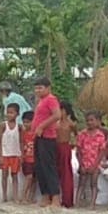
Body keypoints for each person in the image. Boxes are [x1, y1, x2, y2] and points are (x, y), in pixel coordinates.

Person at [30, 77, 62, 207]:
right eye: (36, 88)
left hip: (47, 137)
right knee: (40, 167)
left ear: (48, 88)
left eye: (40, 88)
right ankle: (45, 196)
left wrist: (42, 126)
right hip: (38, 137)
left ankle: (55, 197)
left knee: (48, 167)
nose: (38, 90)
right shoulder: (41, 101)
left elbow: (57, 115)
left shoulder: (51, 99)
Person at [75, 111, 108, 209]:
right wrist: (81, 164)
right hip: (84, 162)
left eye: (92, 120)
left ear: (98, 121)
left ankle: (92, 204)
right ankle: (77, 203)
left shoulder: (100, 135)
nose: (89, 122)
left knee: (93, 183)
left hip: (95, 163)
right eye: (87, 120)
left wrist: (95, 165)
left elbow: (101, 152)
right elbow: (78, 151)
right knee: (81, 183)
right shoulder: (82, 134)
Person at [0, 104, 21, 203]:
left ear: (17, 114)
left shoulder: (19, 127)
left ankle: (15, 196)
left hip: (15, 154)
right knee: (4, 175)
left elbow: (21, 141)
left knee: (14, 176)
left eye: (11, 113)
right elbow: (0, 141)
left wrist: (21, 154)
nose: (9, 115)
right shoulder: (3, 125)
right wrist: (0, 155)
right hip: (5, 154)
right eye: (8, 112)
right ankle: (4, 196)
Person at [57, 102, 78, 208]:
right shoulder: (55, 122)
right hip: (55, 147)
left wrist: (74, 143)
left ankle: (67, 200)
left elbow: (76, 134)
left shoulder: (71, 123)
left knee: (66, 173)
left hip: (65, 147)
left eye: (61, 110)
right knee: (56, 172)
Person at [19, 111, 37, 204]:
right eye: (24, 122)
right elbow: (21, 144)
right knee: (29, 177)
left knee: (34, 179)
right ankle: (23, 196)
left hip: (36, 159)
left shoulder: (36, 133)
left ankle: (31, 197)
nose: (26, 124)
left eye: (28, 122)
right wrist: (22, 155)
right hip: (27, 159)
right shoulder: (23, 133)